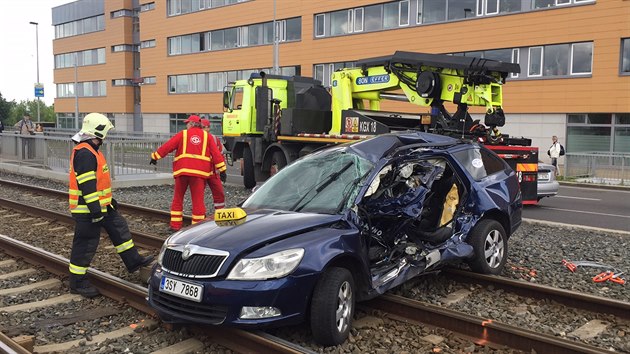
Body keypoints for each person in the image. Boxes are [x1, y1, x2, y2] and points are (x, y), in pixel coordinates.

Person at [68, 113, 154, 298]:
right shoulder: (85, 153)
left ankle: (133, 261)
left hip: (102, 206)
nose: (106, 135)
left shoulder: (91, 150)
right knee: (86, 244)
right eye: (105, 131)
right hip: (88, 209)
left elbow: (97, 183)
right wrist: (96, 211)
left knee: (119, 227)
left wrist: (107, 203)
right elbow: (87, 185)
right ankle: (77, 282)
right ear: (98, 131)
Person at [150, 115, 226, 230]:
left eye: (187, 123)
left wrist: (155, 156)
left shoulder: (183, 134)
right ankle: (197, 228)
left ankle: (175, 226)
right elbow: (216, 154)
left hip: (182, 171)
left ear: (191, 124)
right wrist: (222, 170)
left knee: (178, 198)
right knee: (198, 201)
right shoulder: (207, 137)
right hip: (199, 174)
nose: (186, 125)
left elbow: (168, 146)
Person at [201, 118, 227, 211]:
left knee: (219, 194)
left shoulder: (214, 139)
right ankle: (200, 215)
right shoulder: (198, 139)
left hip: (213, 173)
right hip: (201, 173)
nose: (206, 129)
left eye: (208, 127)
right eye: (204, 127)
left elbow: (220, 155)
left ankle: (220, 213)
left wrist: (223, 170)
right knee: (198, 196)